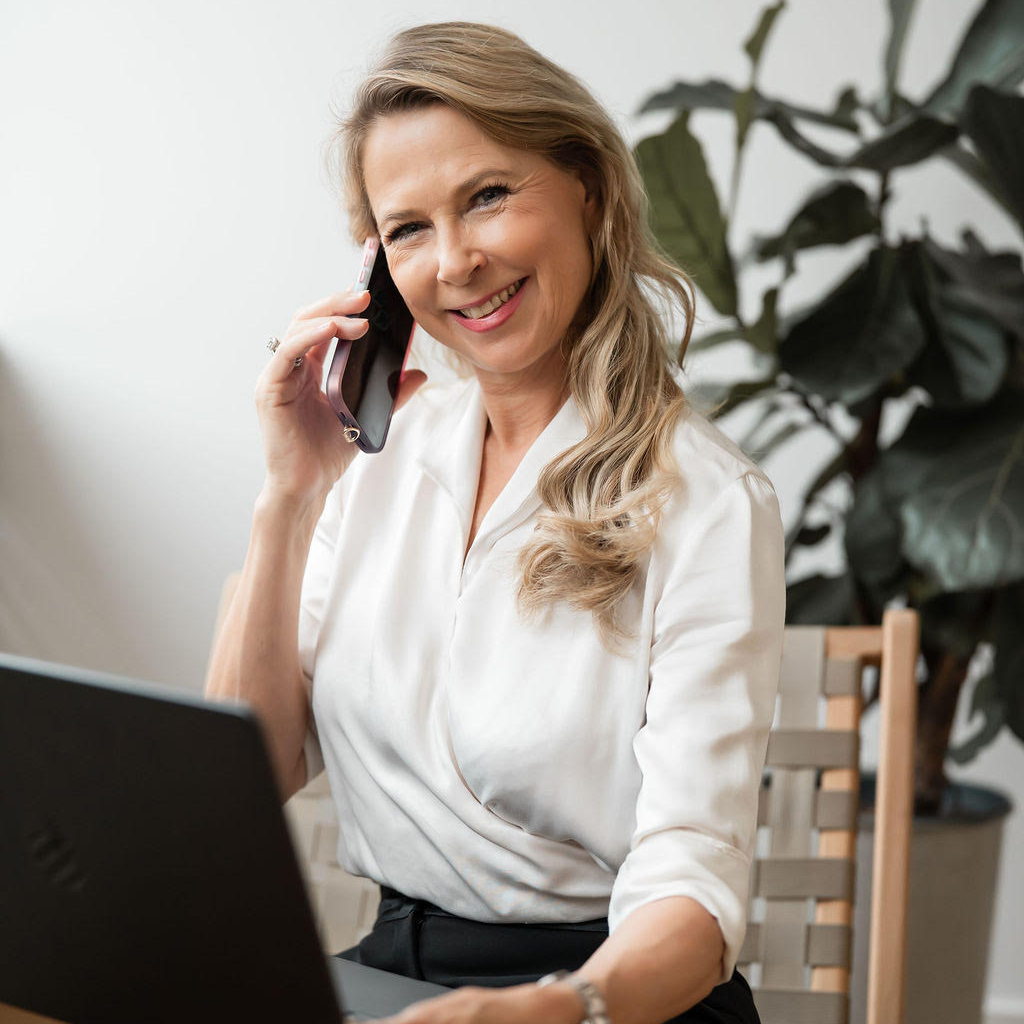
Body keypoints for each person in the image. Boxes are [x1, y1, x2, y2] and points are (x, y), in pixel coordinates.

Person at [205, 21, 785, 1024]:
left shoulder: (706, 499)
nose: (456, 261)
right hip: (390, 979)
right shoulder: (368, 465)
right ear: (377, 267)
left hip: (610, 995)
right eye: (407, 229)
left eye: (487, 196)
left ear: (586, 187)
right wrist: (287, 496)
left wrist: (558, 1009)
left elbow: (695, 885)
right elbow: (240, 783)